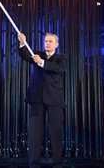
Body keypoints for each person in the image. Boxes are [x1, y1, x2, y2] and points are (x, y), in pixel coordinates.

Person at [17, 32, 66, 168]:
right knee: (34, 133)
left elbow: (58, 69)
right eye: (46, 41)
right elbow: (25, 55)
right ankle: (34, 163)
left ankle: (57, 163)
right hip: (36, 98)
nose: (47, 43)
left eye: (50, 41)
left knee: (56, 132)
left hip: (54, 99)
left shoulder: (61, 58)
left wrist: (42, 63)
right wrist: (22, 43)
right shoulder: (38, 54)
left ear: (56, 44)